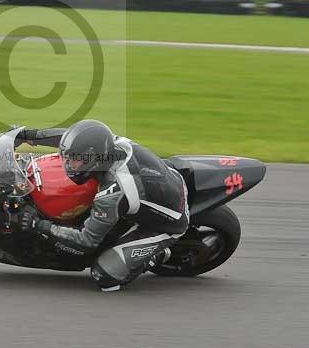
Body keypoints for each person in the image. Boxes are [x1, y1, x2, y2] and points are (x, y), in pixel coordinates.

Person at [15, 120, 189, 291]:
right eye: (67, 157)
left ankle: (157, 255)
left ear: (94, 158)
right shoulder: (107, 146)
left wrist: (40, 225)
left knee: (104, 275)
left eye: (74, 160)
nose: (68, 164)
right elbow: (69, 139)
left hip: (168, 223)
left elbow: (87, 240)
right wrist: (29, 135)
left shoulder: (113, 192)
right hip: (163, 181)